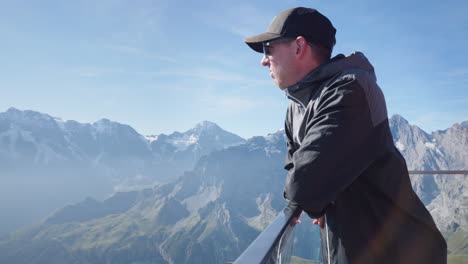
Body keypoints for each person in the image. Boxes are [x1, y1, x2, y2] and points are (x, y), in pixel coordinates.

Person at [243, 7, 447, 264]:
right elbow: (297, 170)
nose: (264, 60)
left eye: (269, 48)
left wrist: (316, 195)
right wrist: (317, 194)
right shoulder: (296, 106)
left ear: (298, 47)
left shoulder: (350, 89)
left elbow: (303, 186)